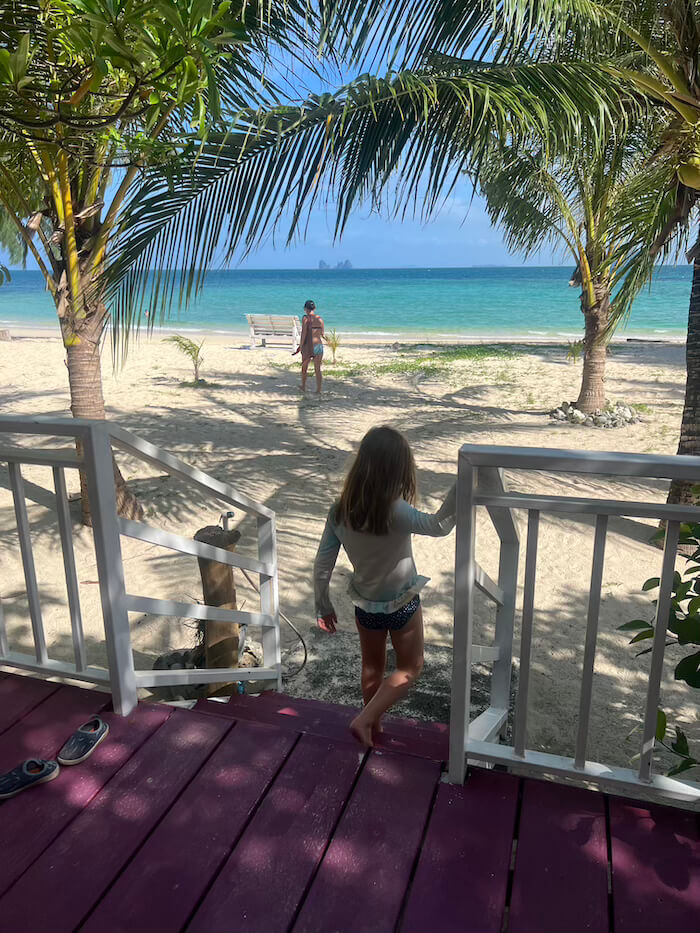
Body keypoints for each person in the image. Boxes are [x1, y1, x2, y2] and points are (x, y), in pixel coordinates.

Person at [313, 426, 457, 745]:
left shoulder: (339, 512)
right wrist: (464, 484)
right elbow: (439, 526)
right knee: (410, 667)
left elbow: (323, 563)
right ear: (398, 469)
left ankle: (372, 730)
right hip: (402, 603)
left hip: (365, 604)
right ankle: (364, 720)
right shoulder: (396, 510)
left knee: (371, 668)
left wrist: (323, 605)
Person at [292, 299, 324, 393]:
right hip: (319, 345)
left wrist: (300, 346)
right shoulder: (320, 319)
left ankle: (303, 386)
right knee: (317, 369)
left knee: (304, 367)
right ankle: (318, 390)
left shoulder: (305, 318)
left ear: (305, 308)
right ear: (315, 308)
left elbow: (304, 334)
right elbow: (322, 334)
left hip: (309, 346)